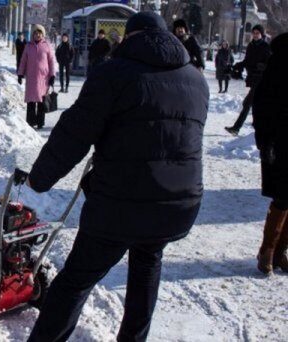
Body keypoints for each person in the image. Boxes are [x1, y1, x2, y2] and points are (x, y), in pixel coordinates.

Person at [26, 12, 208, 341]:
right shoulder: (195, 79)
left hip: (121, 206)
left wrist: (39, 179)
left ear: (129, 37)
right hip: (178, 206)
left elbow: (74, 133)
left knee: (75, 281)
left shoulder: (113, 74)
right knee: (147, 265)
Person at [252, 32, 288, 275]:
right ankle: (267, 250)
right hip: (280, 142)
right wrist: (265, 141)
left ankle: (280, 251)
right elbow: (261, 107)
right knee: (283, 196)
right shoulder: (276, 70)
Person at [225, 25, 272, 136]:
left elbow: (271, 64)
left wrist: (262, 66)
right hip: (252, 78)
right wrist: (236, 66)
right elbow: (247, 61)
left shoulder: (266, 47)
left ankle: (236, 128)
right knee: (254, 103)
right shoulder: (251, 46)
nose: (255, 35)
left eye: (257, 33)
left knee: (247, 104)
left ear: (262, 34)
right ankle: (258, 126)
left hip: (261, 79)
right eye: (254, 33)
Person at [18, 24, 56, 130]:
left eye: (39, 33)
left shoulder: (47, 45)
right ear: (33, 35)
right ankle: (30, 122)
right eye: (35, 33)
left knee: (41, 101)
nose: (37, 35)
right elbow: (23, 61)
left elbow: (52, 62)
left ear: (42, 34)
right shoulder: (28, 46)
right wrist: (20, 74)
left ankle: (40, 122)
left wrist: (52, 75)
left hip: (43, 78)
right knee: (31, 101)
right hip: (31, 78)